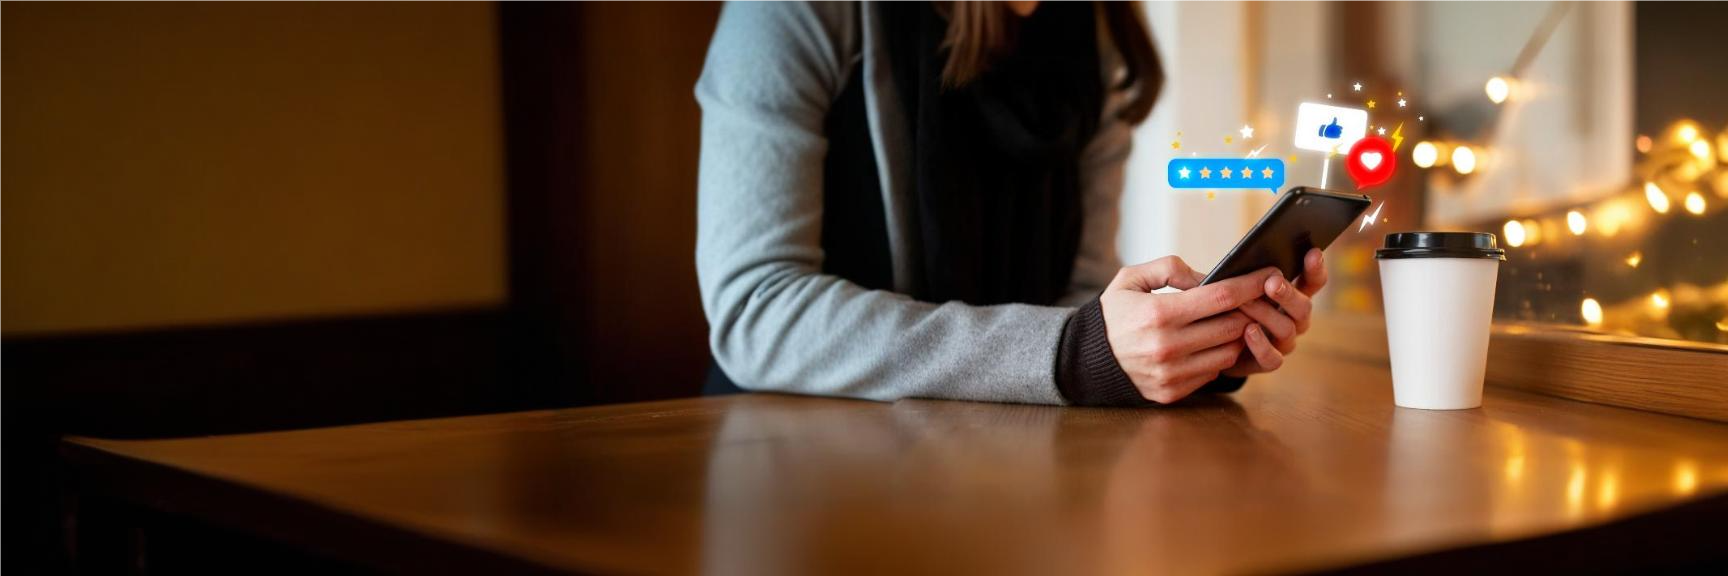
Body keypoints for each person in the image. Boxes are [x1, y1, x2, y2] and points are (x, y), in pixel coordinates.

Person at [694, 0, 1326, 406]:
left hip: (999, 470)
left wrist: (1190, 351)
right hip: (792, 463)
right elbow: (755, 309)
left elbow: (1076, 301)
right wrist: (1073, 353)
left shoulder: (1098, 39)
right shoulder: (795, 12)